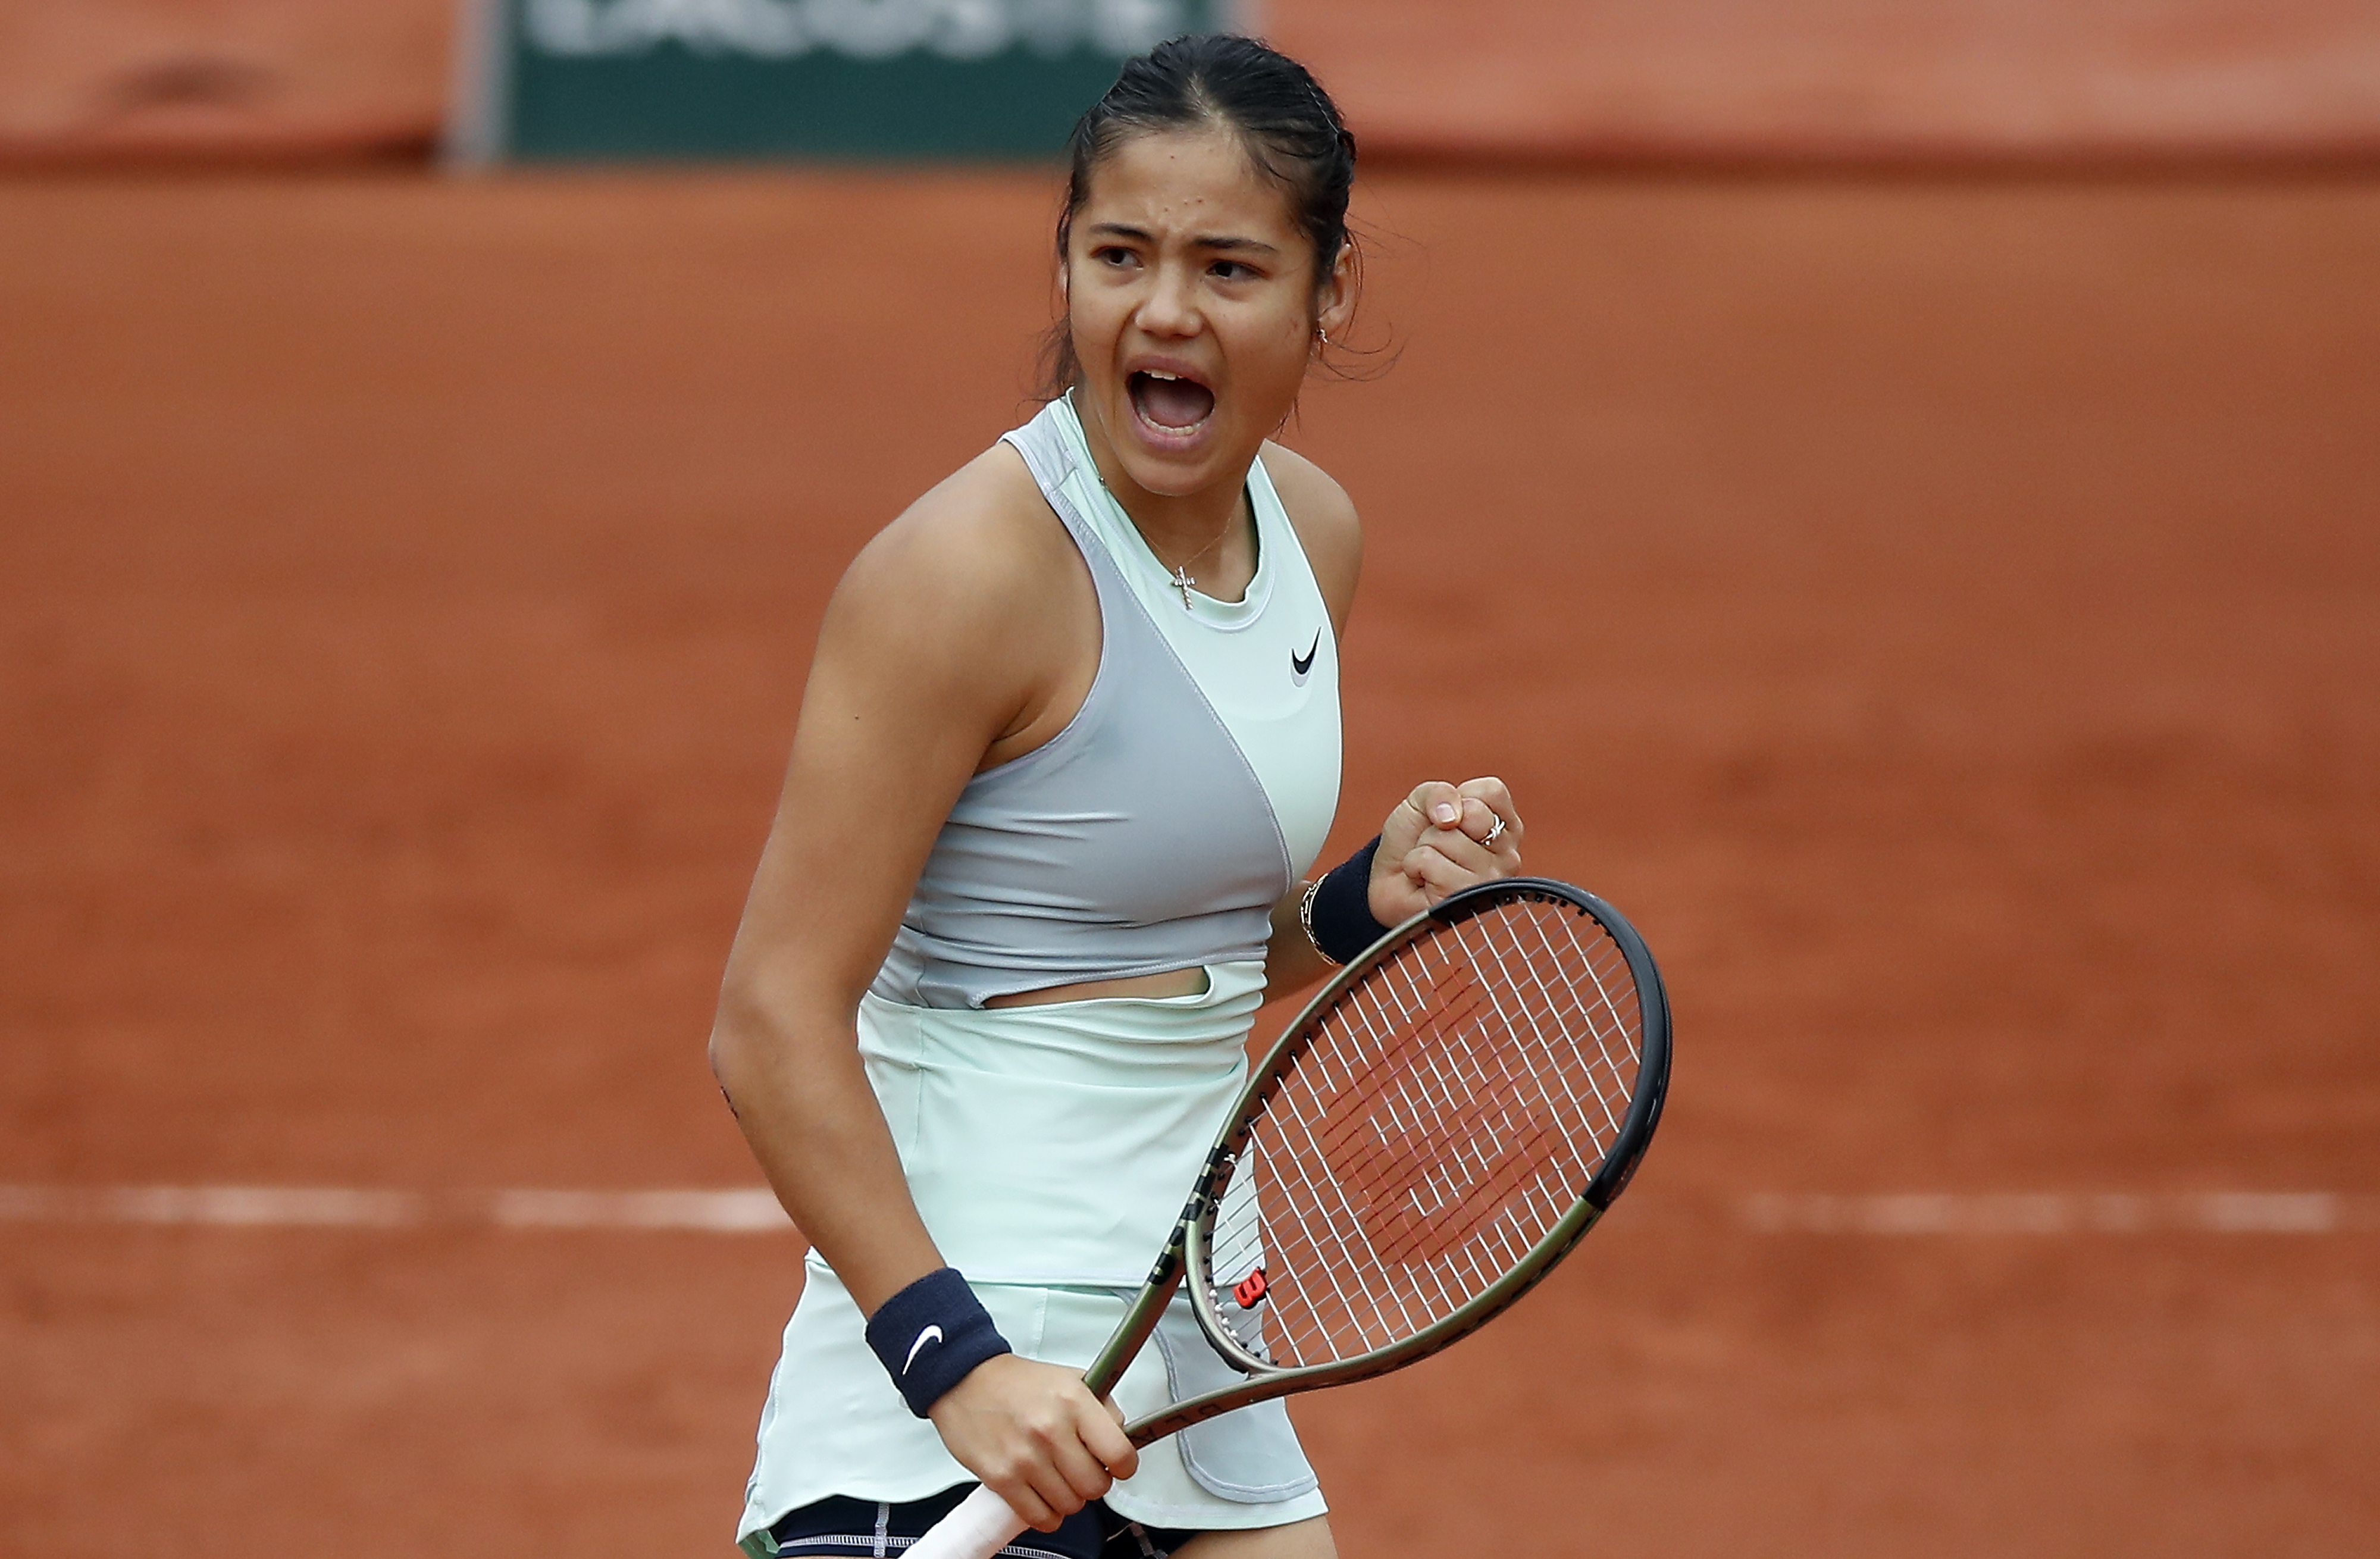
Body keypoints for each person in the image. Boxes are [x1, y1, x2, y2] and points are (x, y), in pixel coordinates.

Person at [710, 34, 1524, 1559]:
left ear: (1323, 291)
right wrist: (955, 1367)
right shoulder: (964, 576)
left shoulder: (1312, 539)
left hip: (1200, 1341)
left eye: (1227, 267)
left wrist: (1361, 902)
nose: (1162, 311)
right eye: (1118, 255)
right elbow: (768, 1015)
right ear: (1065, 266)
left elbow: (1169, 954)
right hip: (969, 1362)